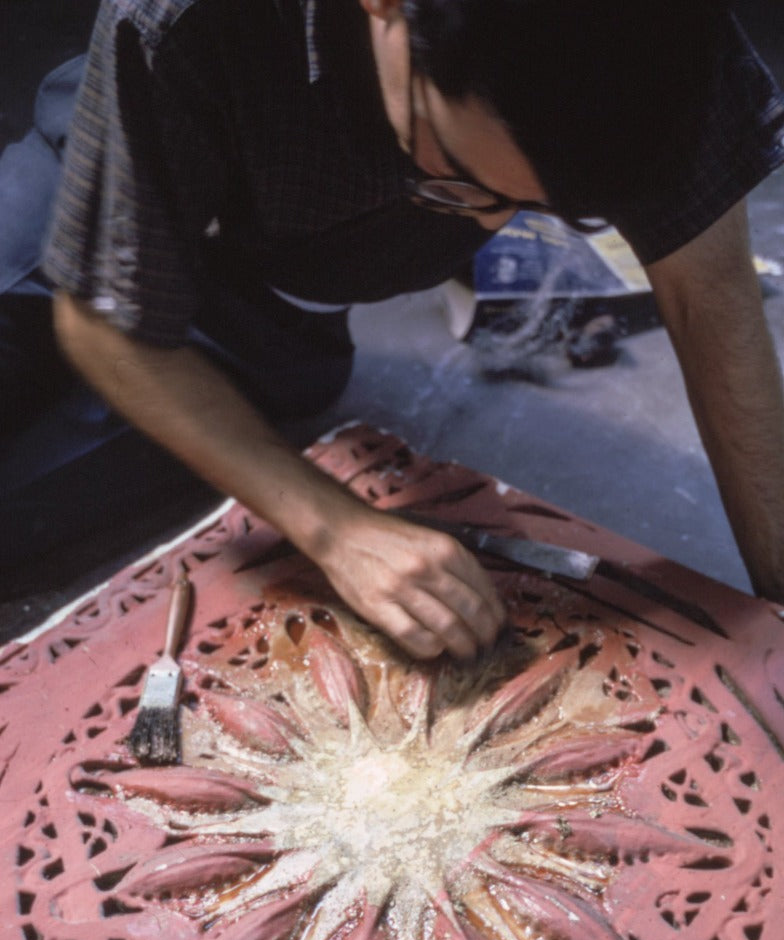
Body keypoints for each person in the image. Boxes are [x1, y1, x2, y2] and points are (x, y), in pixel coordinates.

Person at [5, 0, 784, 658]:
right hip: (106, 172)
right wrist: (336, 528)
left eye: (537, 209)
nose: (492, 222)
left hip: (279, 301)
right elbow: (108, 321)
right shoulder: (184, 19)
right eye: (457, 180)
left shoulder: (659, 35)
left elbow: (708, 293)